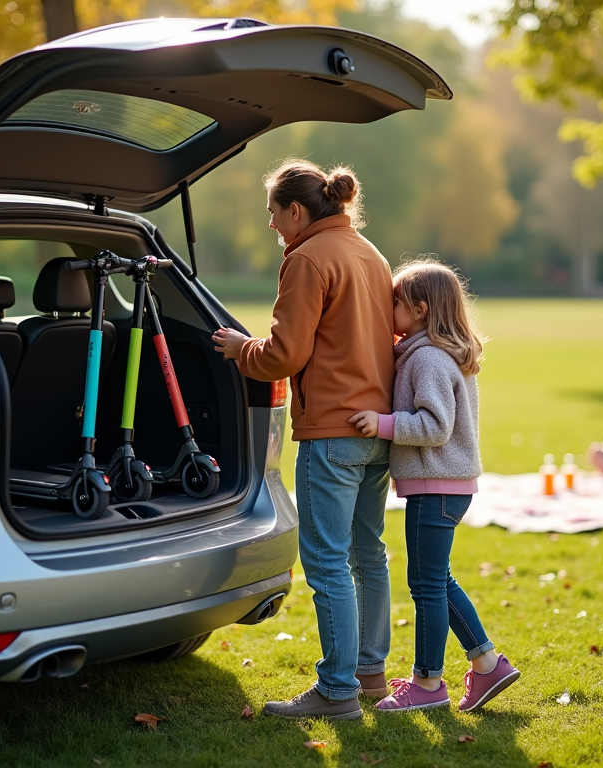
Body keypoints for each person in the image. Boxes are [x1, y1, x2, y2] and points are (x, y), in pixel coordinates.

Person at [212, 160, 394, 721]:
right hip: (377, 431)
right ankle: (369, 675)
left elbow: (284, 355)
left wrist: (240, 349)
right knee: (369, 555)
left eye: (272, 212)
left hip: (332, 434)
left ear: (296, 210)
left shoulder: (309, 259)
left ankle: (337, 692)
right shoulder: (370, 254)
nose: (270, 224)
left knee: (326, 563)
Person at [350, 259, 520, 714]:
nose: (389, 310)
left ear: (421, 310)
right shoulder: (435, 350)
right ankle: (487, 663)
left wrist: (382, 424)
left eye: (396, 304)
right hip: (447, 485)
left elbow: (435, 425)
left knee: (425, 586)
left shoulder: (426, 358)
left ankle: (427, 683)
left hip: (436, 484)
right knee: (435, 579)